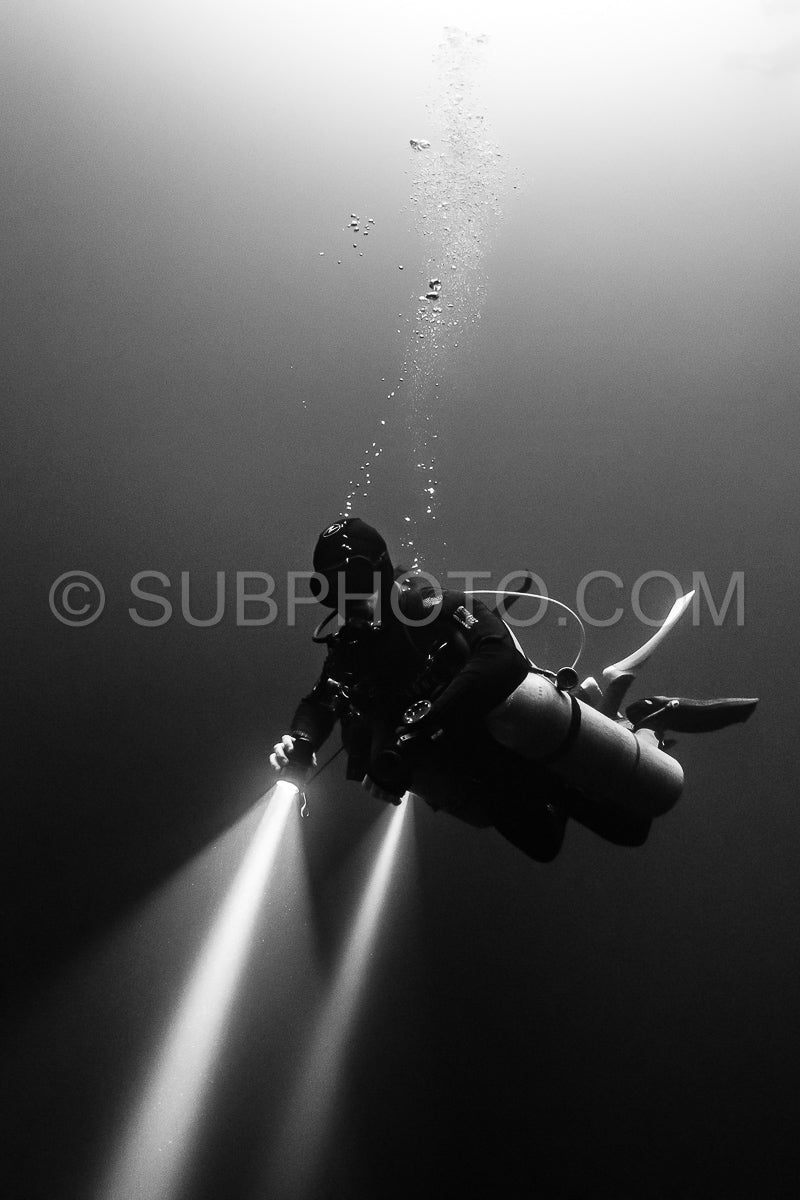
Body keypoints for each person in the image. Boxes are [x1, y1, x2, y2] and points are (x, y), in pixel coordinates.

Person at [270, 518, 655, 862]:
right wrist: (300, 747)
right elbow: (320, 700)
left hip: (517, 741)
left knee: (630, 828)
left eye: (352, 581)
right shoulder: (353, 649)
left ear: (380, 570)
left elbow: (502, 656)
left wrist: (417, 734)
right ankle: (605, 709)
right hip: (479, 770)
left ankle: (639, 722)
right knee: (543, 844)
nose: (345, 599)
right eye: (330, 588)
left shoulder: (426, 604)